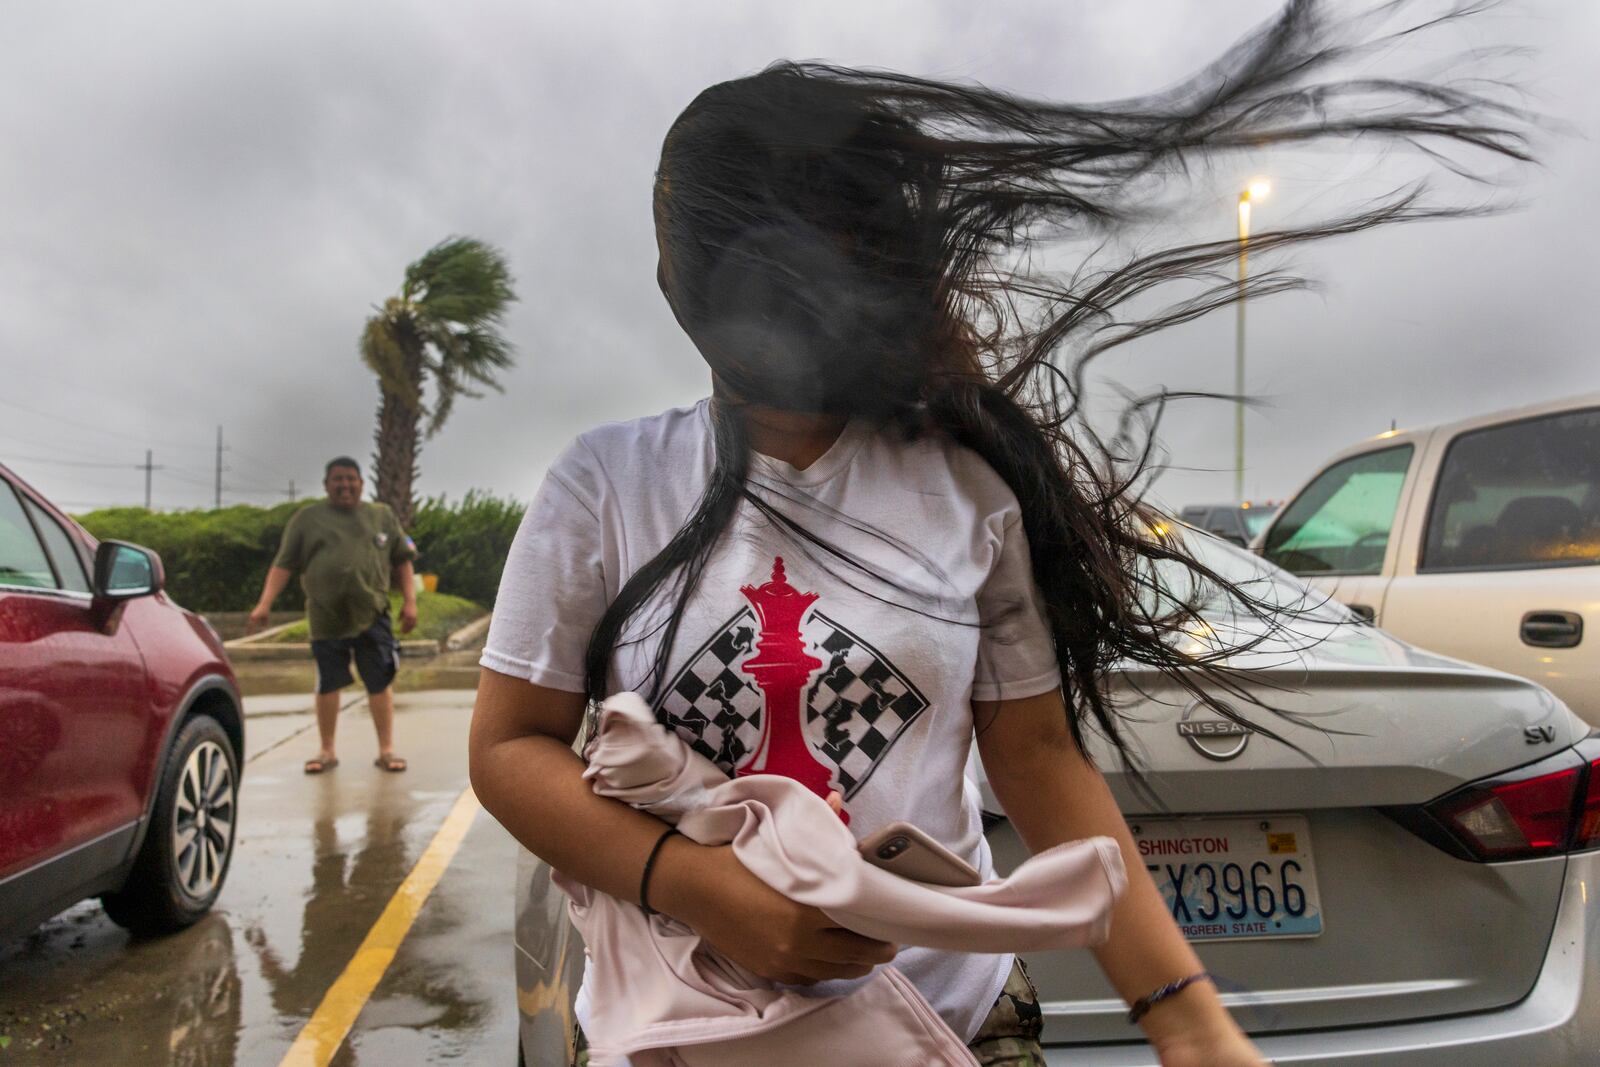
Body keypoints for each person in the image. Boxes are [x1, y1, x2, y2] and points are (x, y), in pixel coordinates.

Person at [468, 7, 1530, 1064]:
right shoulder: (605, 485)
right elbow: (509, 745)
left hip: (949, 1021)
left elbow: (1035, 757)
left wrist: (1187, 1017)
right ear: (676, 292)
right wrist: (693, 881)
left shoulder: (964, 485)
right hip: (685, 1032)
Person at [250, 457, 418, 774]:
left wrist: (411, 602)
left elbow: (403, 561)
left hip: (373, 613)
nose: (345, 485)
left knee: (379, 681)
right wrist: (264, 604)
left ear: (361, 483)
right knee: (328, 683)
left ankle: (387, 750)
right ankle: (326, 750)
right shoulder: (307, 519)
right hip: (326, 616)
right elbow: (283, 564)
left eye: (351, 479)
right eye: (338, 480)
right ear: (327, 485)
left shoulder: (381, 516)